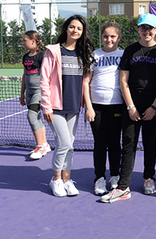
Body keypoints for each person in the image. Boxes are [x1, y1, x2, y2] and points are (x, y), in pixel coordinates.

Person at [100, 13, 156, 203]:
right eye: (143, 28)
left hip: (153, 107)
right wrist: (130, 106)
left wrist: (154, 106)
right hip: (130, 106)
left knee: (150, 144)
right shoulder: (130, 50)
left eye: (150, 28)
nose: (147, 31)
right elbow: (123, 80)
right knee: (128, 144)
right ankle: (123, 187)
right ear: (138, 29)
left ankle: (149, 178)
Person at [40, 15, 94, 197]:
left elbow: (86, 81)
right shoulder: (53, 51)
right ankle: (55, 179)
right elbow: (44, 79)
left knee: (70, 145)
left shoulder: (84, 54)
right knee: (63, 143)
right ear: (66, 29)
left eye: (79, 28)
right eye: (72, 27)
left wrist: (86, 106)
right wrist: (46, 106)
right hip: (55, 107)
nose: (75, 31)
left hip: (73, 107)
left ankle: (66, 180)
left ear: (82, 32)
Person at [83, 21, 123, 196]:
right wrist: (89, 107)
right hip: (97, 107)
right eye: (105, 36)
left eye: (112, 36)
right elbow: (85, 82)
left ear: (118, 38)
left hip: (117, 105)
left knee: (114, 143)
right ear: (102, 37)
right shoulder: (94, 55)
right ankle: (99, 177)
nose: (109, 39)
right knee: (100, 143)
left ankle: (115, 175)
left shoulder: (124, 55)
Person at [20, 30, 50, 160]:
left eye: (24, 40)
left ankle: (39, 146)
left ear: (33, 41)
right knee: (37, 118)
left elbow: (48, 72)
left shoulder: (42, 55)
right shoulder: (26, 57)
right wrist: (22, 93)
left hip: (39, 91)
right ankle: (45, 144)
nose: (23, 43)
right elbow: (24, 75)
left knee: (31, 116)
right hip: (29, 92)